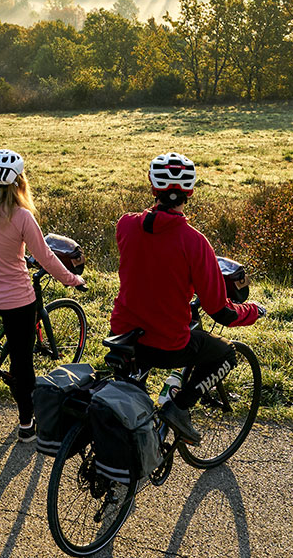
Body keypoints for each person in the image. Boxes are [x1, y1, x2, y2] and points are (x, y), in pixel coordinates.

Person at [109, 152, 265, 445]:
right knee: (225, 354)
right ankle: (179, 409)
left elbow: (148, 260)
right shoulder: (195, 242)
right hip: (166, 343)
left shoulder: (125, 224)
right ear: (190, 191)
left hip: (122, 334)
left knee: (122, 402)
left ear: (153, 186)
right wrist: (252, 311)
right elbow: (220, 311)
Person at [0, 149, 85, 443]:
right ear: (18, 181)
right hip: (17, 300)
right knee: (21, 363)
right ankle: (26, 424)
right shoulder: (22, 217)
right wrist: (72, 279)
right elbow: (44, 257)